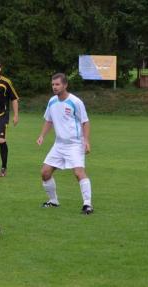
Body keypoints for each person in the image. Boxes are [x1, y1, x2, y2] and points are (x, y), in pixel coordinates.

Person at [36, 73, 93, 215]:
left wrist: (86, 141)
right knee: (45, 172)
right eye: (53, 84)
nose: (54, 87)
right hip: (59, 144)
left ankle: (87, 204)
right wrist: (42, 135)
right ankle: (53, 201)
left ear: (65, 85)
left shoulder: (75, 101)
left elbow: (85, 122)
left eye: (57, 84)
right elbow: (49, 120)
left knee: (78, 173)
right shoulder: (52, 101)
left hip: (74, 144)